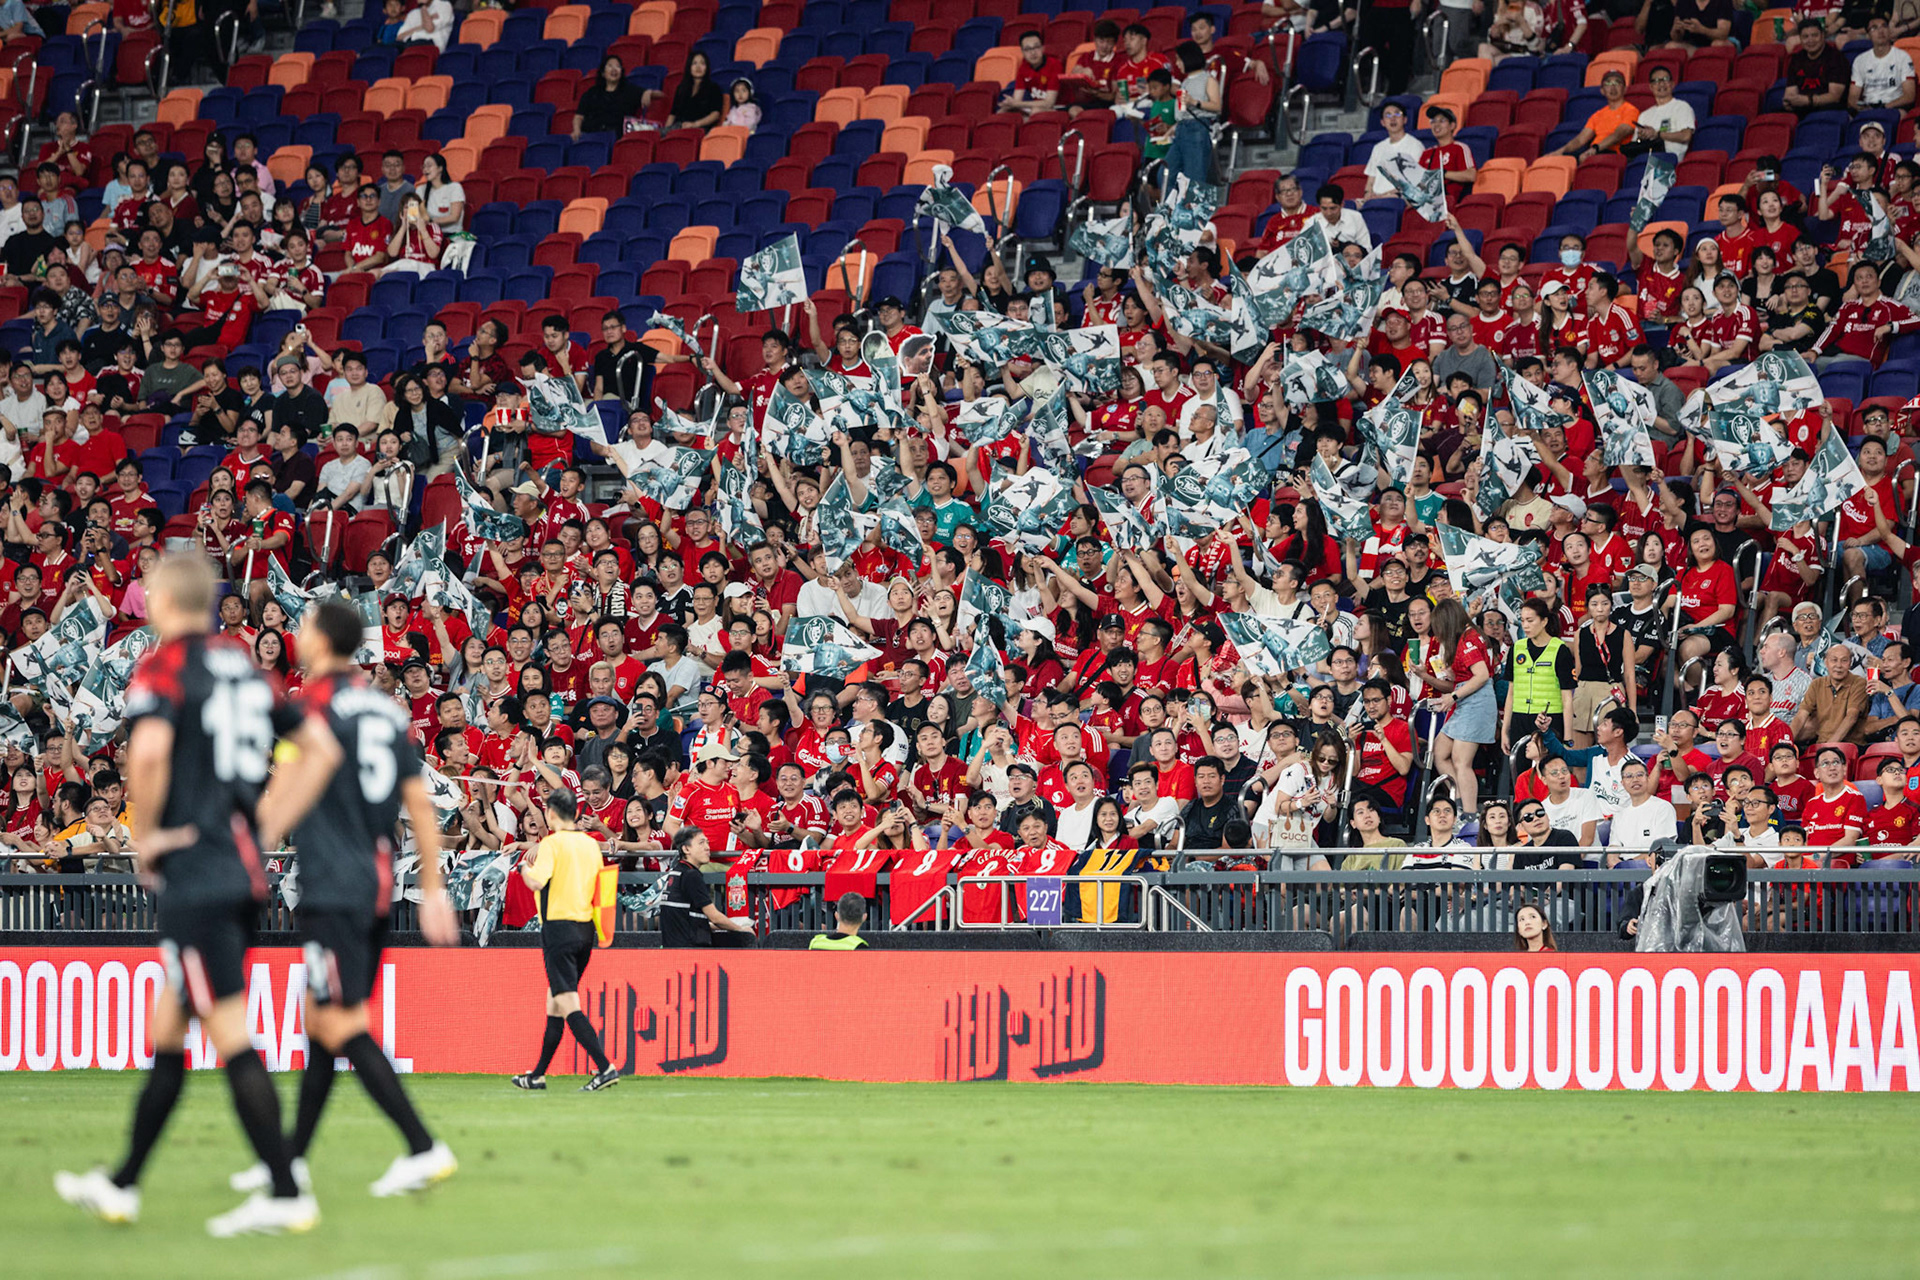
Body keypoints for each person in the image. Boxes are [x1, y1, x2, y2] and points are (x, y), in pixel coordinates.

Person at [57, 554, 340, 1236]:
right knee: (169, 1029)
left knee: (229, 1032)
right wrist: (264, 827)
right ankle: (123, 1183)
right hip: (237, 869)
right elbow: (320, 753)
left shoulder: (166, 665)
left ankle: (284, 1188)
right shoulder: (242, 666)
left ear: (162, 600)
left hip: (197, 874)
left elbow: (148, 753)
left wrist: (147, 837)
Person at [230, 599, 459, 1198]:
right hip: (377, 884)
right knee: (321, 1024)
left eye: (302, 628)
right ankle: (292, 1157)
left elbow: (279, 802)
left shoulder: (308, 711)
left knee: (340, 1021)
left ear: (320, 641)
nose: (295, 636)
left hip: (332, 884)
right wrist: (432, 886)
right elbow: (420, 804)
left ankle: (422, 1145)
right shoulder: (386, 713)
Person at [511, 790, 621, 1091]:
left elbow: (536, 881)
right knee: (556, 1002)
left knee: (568, 1001)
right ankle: (537, 1075)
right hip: (586, 930)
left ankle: (605, 1067)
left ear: (550, 813)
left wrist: (523, 867)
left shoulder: (552, 843)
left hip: (559, 929)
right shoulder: (590, 845)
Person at [659, 825, 756, 947]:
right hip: (689, 951)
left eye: (707, 843)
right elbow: (714, 917)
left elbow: (685, 919)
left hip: (673, 948)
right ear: (686, 849)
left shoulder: (675, 872)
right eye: (701, 843)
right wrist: (741, 929)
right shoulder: (691, 875)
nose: (707, 848)